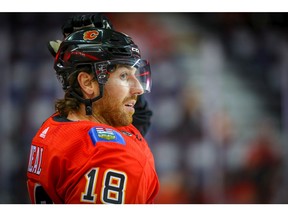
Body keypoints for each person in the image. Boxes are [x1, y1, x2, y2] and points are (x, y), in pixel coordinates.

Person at [26, 14, 160, 204]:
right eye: (123, 76)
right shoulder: (111, 157)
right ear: (87, 83)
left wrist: (101, 45)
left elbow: (140, 119)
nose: (138, 89)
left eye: (135, 75)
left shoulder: (55, 126)